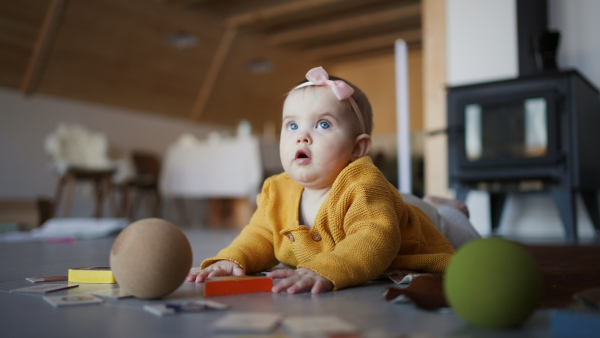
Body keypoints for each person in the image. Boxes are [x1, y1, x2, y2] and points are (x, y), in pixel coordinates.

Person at [187, 66, 479, 294]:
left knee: (464, 238)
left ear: (357, 149)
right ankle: (426, 200)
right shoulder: (276, 190)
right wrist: (232, 259)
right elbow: (260, 235)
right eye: (291, 125)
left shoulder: (363, 184)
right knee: (401, 199)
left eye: (323, 124)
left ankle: (444, 207)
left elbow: (374, 237)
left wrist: (329, 268)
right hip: (395, 202)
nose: (302, 135)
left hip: (422, 228)